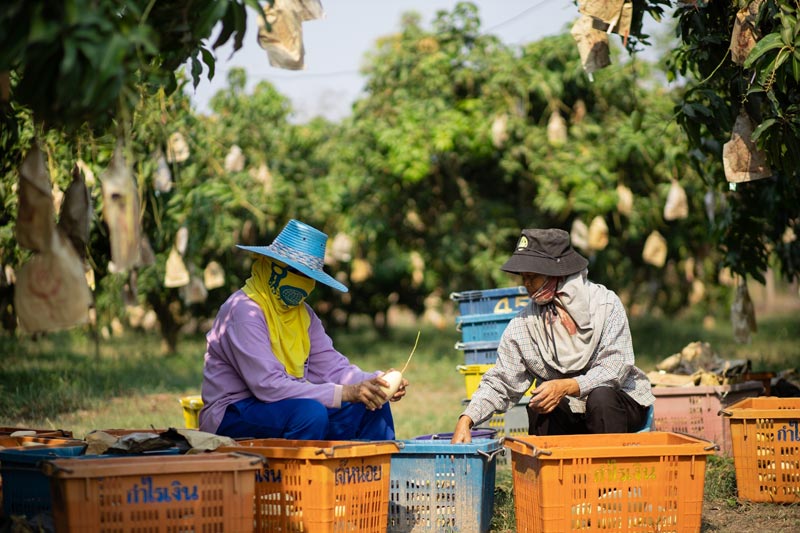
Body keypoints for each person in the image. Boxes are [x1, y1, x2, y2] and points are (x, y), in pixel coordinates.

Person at [199, 219, 408, 440]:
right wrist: (346, 392)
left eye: (309, 276)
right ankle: (300, 474)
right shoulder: (244, 312)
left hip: (286, 405)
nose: (303, 282)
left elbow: (333, 368)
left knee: (372, 405)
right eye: (295, 272)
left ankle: (375, 471)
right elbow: (268, 386)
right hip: (235, 411)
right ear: (270, 265)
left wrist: (376, 383)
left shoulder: (303, 314)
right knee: (310, 414)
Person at [452, 228, 654, 443]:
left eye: (533, 277)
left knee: (601, 396)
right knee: (541, 404)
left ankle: (607, 473)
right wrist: (466, 420)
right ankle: (554, 473)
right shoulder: (524, 325)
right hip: (571, 412)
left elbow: (615, 367)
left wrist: (567, 386)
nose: (526, 284)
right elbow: (502, 381)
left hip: (618, 406)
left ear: (557, 275)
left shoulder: (605, 305)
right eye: (524, 277)